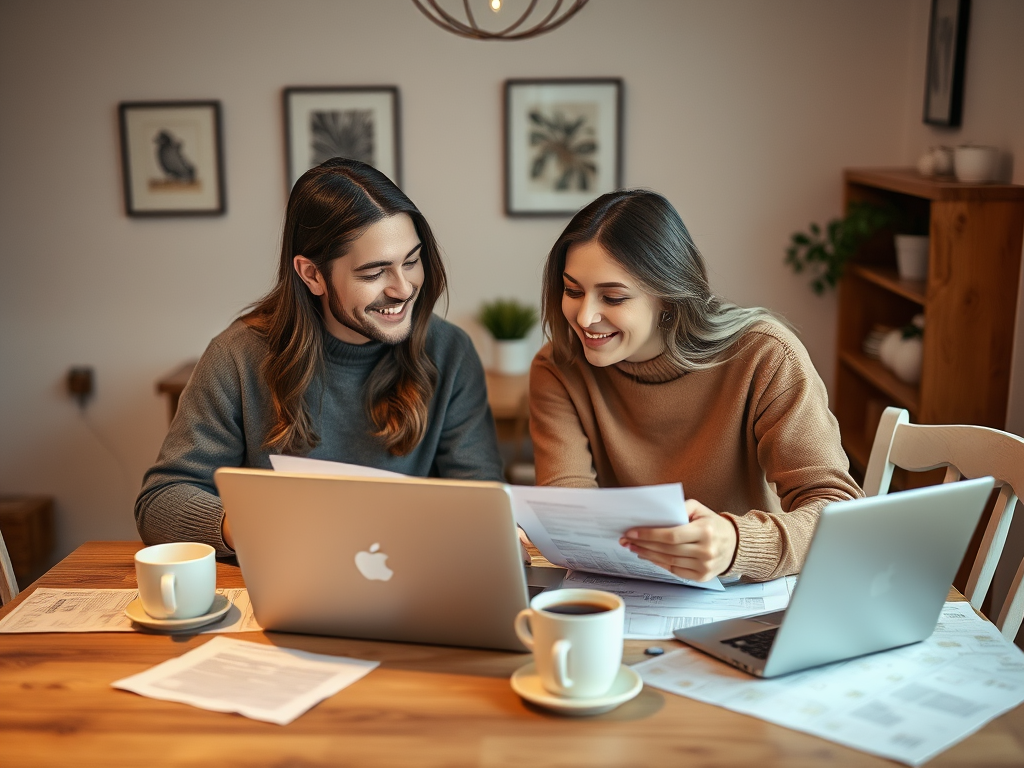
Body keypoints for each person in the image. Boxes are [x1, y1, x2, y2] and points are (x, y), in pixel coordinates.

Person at [136, 158, 503, 555]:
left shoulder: (450, 352)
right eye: (374, 273)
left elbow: (483, 499)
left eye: (411, 262)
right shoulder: (237, 357)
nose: (403, 289)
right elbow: (161, 501)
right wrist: (246, 525)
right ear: (312, 275)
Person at [529, 189, 862, 583]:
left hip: (749, 593)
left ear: (668, 298)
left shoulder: (764, 355)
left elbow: (835, 509)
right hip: (627, 592)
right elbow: (571, 514)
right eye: (573, 291)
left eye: (613, 297)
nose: (585, 317)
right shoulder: (558, 367)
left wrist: (736, 544)